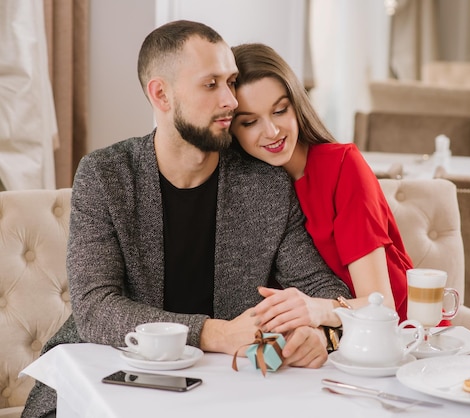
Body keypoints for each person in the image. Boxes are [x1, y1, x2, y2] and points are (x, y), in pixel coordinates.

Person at [22, 21, 350, 418]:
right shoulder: (104, 174)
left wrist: (320, 332)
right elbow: (95, 306)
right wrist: (217, 333)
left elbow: (324, 288)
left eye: (230, 82)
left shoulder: (265, 184)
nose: (230, 99)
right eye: (211, 84)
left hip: (218, 390)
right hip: (108, 373)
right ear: (161, 93)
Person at [229, 43, 416, 332]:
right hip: (325, 342)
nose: (272, 132)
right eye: (250, 121)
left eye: (280, 110)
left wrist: (317, 308)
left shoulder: (342, 167)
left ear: (297, 104)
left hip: (400, 337)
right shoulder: (247, 187)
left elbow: (381, 306)